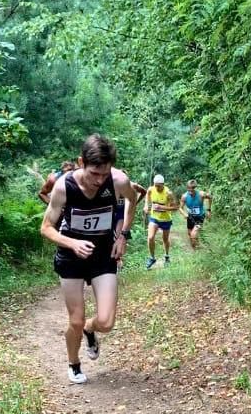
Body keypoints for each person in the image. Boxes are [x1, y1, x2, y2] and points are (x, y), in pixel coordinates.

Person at [40, 134, 138, 384]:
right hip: (71, 258)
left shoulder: (118, 180)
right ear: (81, 162)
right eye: (94, 173)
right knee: (75, 320)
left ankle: (90, 329)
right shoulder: (63, 186)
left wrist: (123, 235)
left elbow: (132, 199)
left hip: (103, 255)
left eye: (104, 174)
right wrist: (72, 243)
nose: (99, 180)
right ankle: (74, 363)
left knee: (106, 322)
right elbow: (46, 228)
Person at [144, 174, 177, 269]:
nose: (157, 188)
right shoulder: (151, 189)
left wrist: (161, 207)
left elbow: (175, 207)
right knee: (150, 237)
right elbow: (147, 196)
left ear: (163, 184)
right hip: (154, 217)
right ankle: (152, 258)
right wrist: (146, 206)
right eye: (155, 185)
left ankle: (167, 256)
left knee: (165, 239)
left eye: (159, 186)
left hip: (166, 219)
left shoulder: (168, 193)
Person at [179, 179, 213, 249]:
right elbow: (180, 208)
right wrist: (184, 214)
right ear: (187, 188)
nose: (190, 190)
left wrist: (209, 210)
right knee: (190, 234)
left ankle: (196, 249)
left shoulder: (201, 194)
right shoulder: (184, 196)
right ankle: (196, 248)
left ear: (195, 188)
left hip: (200, 216)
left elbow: (210, 197)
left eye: (192, 188)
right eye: (189, 188)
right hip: (190, 217)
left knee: (193, 234)